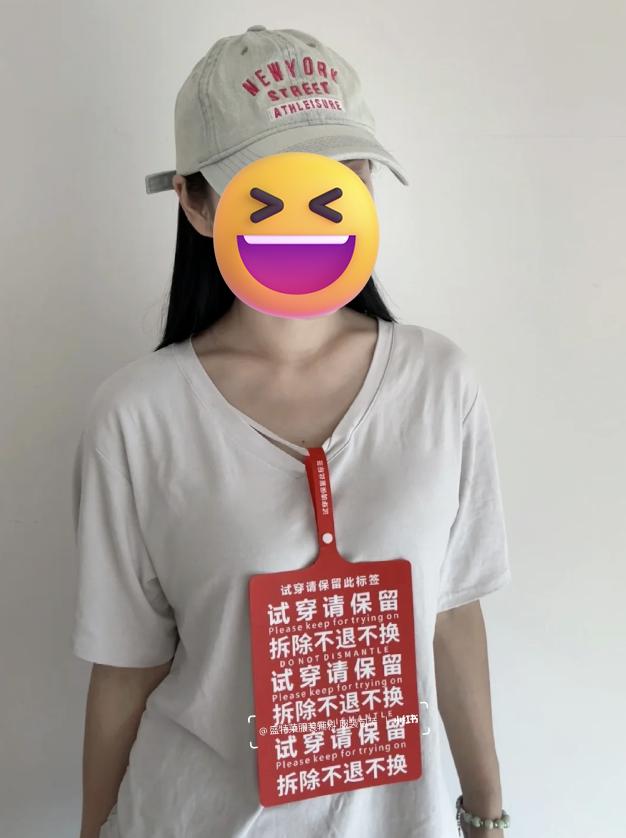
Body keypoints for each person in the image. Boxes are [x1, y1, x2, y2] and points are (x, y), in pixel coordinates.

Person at [72, 26, 512, 838]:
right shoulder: (136, 416)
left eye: (340, 178)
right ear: (195, 202)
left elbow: (452, 616)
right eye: (269, 190)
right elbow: (126, 667)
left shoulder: (440, 383)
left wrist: (488, 817)